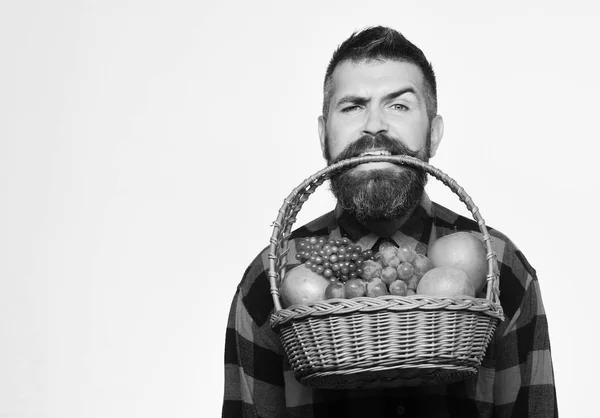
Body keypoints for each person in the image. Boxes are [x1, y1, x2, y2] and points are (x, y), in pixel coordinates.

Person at [222, 26, 557, 417]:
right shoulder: (273, 278)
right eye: (352, 106)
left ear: (433, 133)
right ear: (322, 136)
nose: (375, 125)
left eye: (398, 106)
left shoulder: (499, 266)